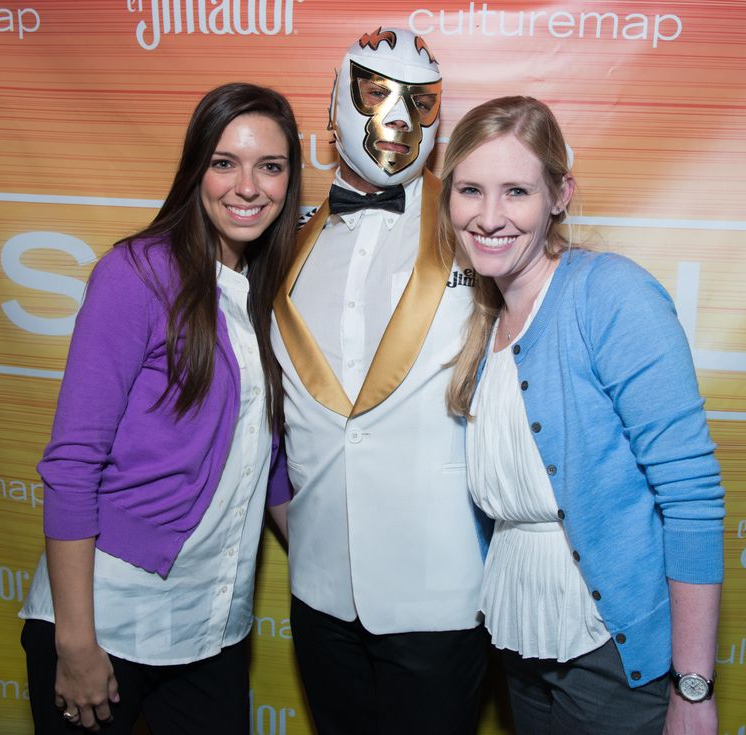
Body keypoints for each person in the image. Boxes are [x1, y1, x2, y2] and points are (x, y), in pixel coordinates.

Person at [18, 82, 301, 734]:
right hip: (109, 616)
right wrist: (76, 641)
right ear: (196, 168)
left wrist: (346, 572)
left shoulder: (267, 294)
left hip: (212, 627)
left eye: (270, 166)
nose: (247, 186)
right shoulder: (136, 273)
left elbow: (269, 464)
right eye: (225, 162)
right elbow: (73, 462)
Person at [441, 96, 725, 734]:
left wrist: (694, 687)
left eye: (516, 190)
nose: (488, 217)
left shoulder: (610, 293)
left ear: (559, 195)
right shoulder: (480, 320)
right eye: (470, 190)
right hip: (519, 637)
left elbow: (692, 499)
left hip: (611, 651)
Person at [268, 27, 488, 735]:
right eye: (376, 93)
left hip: (442, 594)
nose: (398, 120)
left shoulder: (475, 224)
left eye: (421, 104)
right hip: (321, 591)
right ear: (334, 107)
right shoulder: (285, 240)